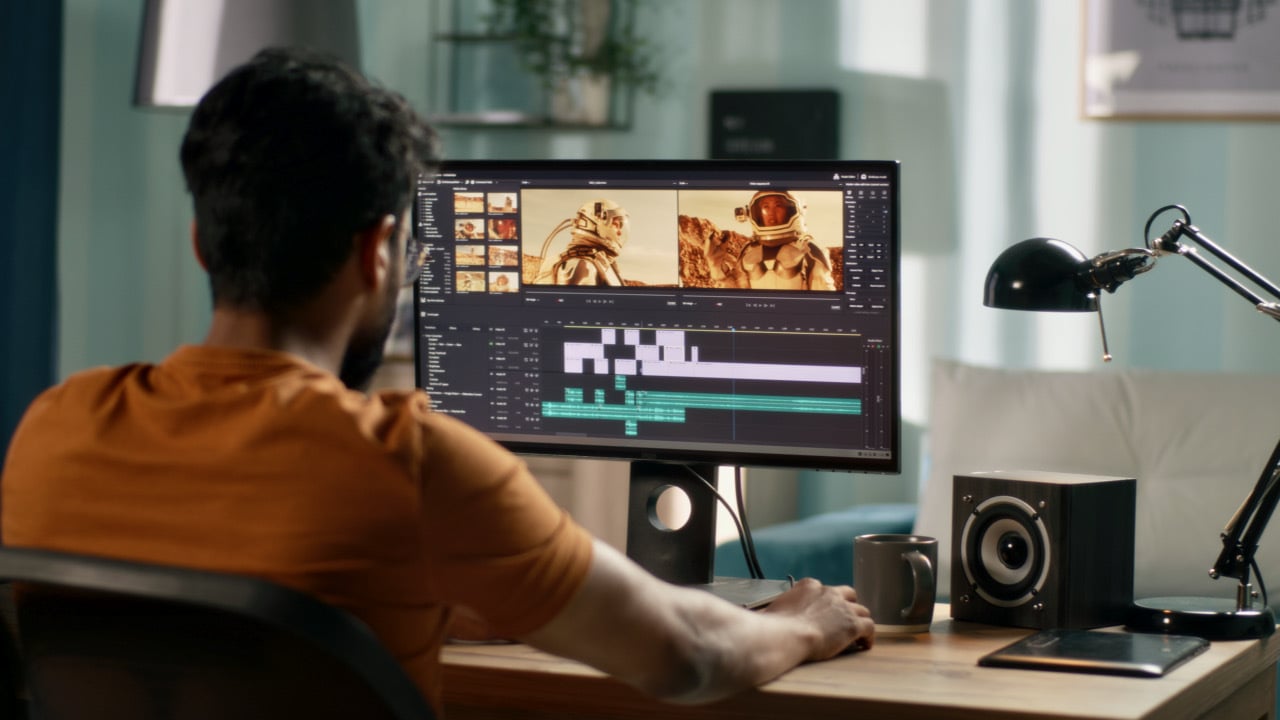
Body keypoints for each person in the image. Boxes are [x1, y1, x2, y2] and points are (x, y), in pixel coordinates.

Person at [0, 48, 874, 714]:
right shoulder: (409, 461)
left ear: (201, 243)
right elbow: (683, 653)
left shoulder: (55, 424)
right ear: (379, 252)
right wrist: (804, 621)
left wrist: (422, 598)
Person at [704, 190, 836, 290]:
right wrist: (715, 264)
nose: (771, 212)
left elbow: (824, 300)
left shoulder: (809, 250)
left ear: (793, 210)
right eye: (765, 207)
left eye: (778, 206)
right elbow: (737, 297)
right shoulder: (749, 251)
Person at [536, 199, 630, 285]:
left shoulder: (602, 263)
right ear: (599, 221)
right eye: (616, 225)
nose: (619, 232)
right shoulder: (581, 266)